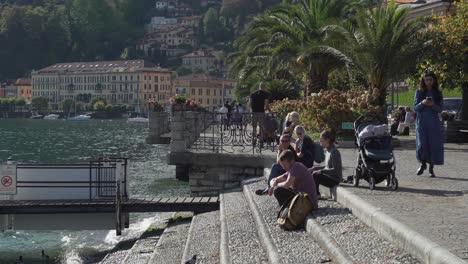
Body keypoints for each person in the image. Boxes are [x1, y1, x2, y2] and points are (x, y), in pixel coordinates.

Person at [414, 71, 444, 177]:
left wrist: (432, 105)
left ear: (434, 80)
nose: (429, 82)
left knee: (433, 144)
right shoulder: (419, 92)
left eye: (431, 79)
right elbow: (415, 108)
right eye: (427, 79)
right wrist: (422, 103)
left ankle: (431, 168)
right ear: (423, 80)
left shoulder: (438, 93)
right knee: (422, 144)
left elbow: (440, 109)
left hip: (433, 124)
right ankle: (423, 164)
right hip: (421, 123)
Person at [309, 130, 342, 198]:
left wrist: (321, 171)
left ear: (327, 140)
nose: (319, 141)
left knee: (316, 175)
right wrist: (315, 168)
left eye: (321, 139)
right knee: (313, 170)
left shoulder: (334, 152)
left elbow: (335, 170)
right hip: (329, 176)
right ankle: (311, 192)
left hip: (334, 179)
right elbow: (327, 166)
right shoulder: (328, 150)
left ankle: (317, 194)